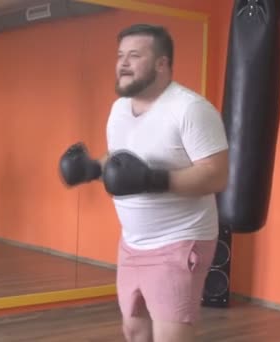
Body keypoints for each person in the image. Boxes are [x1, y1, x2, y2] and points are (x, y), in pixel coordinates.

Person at [59, 24, 229, 342]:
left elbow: (216, 174)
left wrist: (153, 180)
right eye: (120, 55)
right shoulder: (119, 109)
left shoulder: (190, 109)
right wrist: (93, 168)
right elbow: (121, 159)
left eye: (134, 56)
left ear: (161, 64)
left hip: (179, 240)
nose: (123, 63)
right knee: (134, 328)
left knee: (172, 336)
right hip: (132, 242)